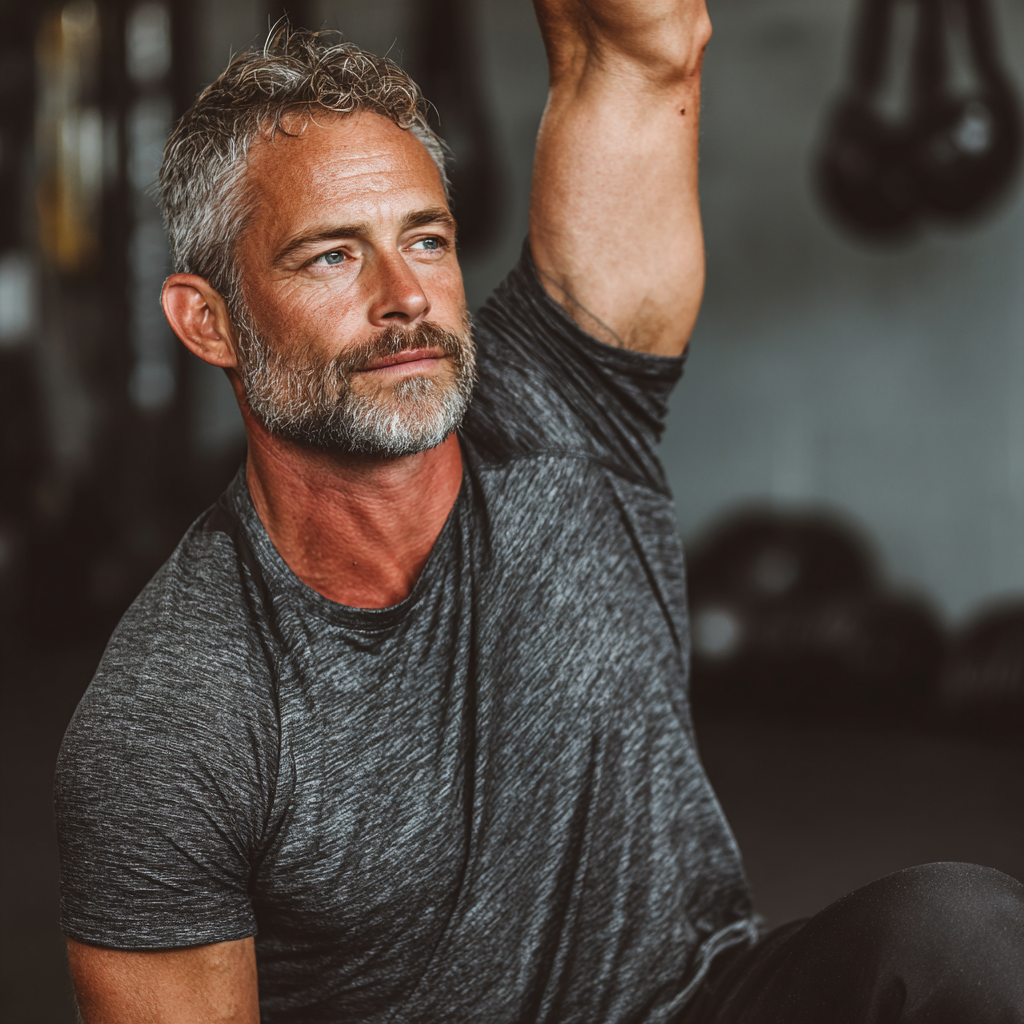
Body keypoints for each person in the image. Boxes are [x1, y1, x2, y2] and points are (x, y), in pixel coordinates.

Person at [54, 3, 1024, 1023]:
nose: (405, 297)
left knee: (953, 930)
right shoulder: (171, 720)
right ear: (206, 321)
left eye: (424, 240)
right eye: (331, 256)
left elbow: (640, 47)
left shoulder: (563, 403)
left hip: (692, 1002)